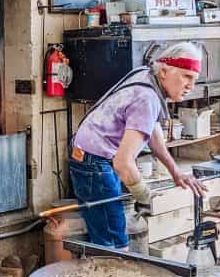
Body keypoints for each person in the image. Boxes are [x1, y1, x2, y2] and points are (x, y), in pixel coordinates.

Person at [69, 41, 207, 250]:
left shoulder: (146, 75)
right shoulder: (147, 98)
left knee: (109, 230)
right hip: (94, 160)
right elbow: (123, 163)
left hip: (91, 154)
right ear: (164, 72)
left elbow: (152, 132)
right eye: (186, 76)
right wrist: (144, 196)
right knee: (113, 242)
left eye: (194, 79)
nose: (190, 86)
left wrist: (175, 172)